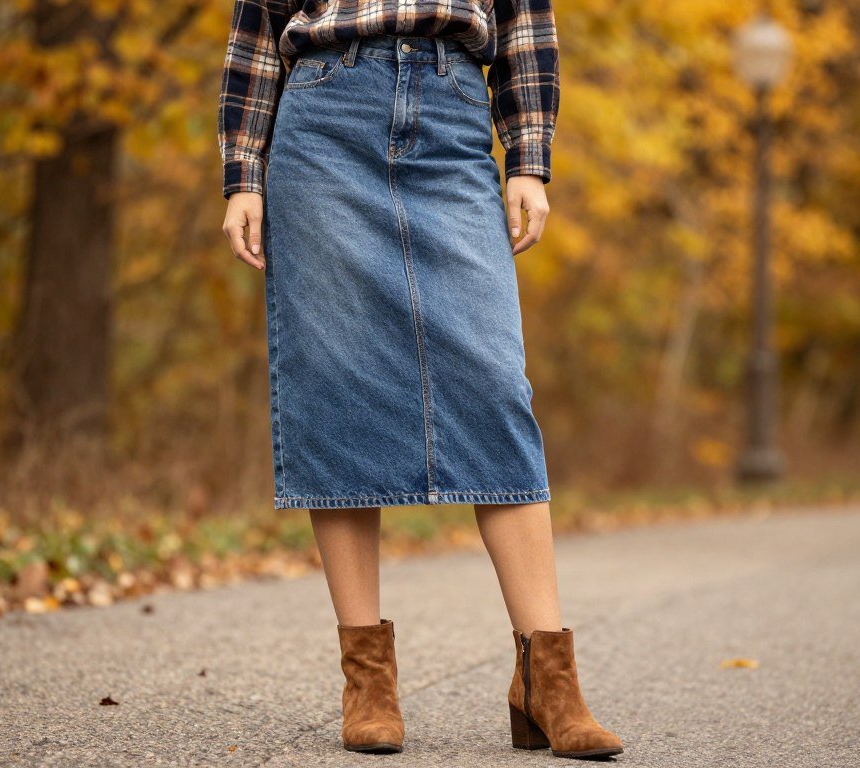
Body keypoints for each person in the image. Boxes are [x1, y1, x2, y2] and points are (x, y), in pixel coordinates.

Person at [217, 0, 623, 759]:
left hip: (454, 108)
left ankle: (548, 677)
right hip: (322, 113)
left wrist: (529, 159)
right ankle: (367, 680)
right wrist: (244, 173)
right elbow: (255, 29)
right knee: (335, 380)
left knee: (495, 384)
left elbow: (525, 23)